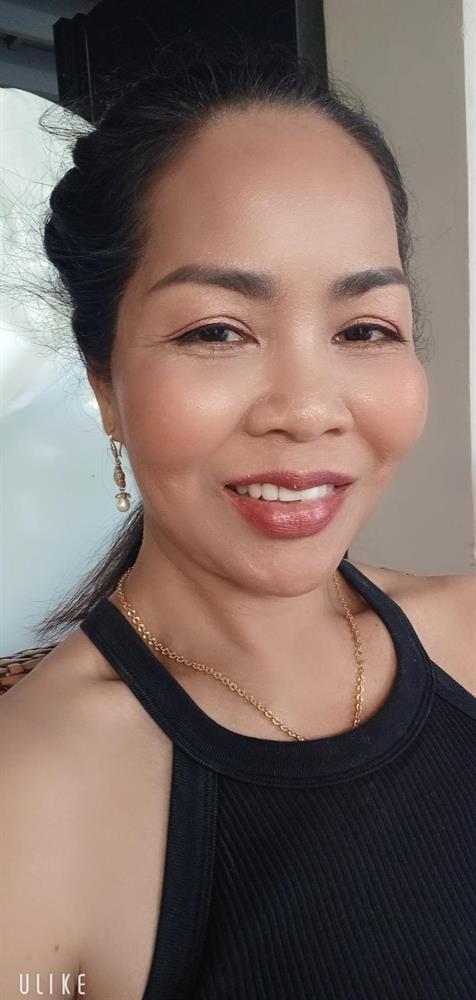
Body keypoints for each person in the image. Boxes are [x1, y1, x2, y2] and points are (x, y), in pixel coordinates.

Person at [1, 43, 475, 1000]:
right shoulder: (34, 798)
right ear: (104, 381)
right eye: (216, 331)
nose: (308, 408)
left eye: (364, 329)